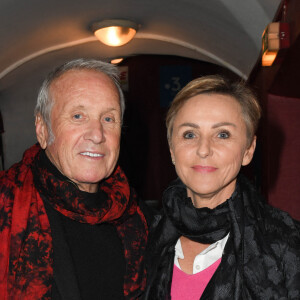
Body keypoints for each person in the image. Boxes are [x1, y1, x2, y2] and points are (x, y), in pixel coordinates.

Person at [0, 58, 150, 300]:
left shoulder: (137, 218)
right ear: (43, 129)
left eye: (108, 119)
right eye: (78, 116)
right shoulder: (6, 205)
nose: (97, 134)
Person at [143, 75, 300, 299]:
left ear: (248, 150)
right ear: (171, 150)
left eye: (222, 134)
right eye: (190, 134)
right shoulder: (143, 238)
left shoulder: (288, 244)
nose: (204, 149)